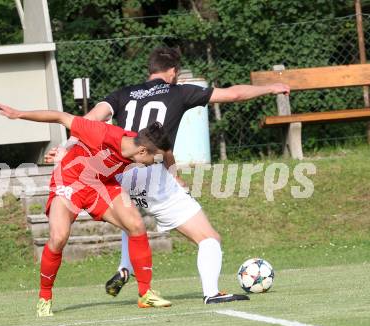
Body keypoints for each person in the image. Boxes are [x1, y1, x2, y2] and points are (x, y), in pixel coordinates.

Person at [46, 47, 290, 304]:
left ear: (149, 70)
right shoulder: (180, 91)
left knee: (132, 222)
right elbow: (235, 94)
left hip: (119, 173)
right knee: (209, 238)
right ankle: (211, 292)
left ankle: (125, 267)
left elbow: (92, 118)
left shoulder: (124, 93)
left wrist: (66, 145)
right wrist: (271, 88)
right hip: (152, 170)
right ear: (173, 72)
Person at [0, 101, 173, 317]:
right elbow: (60, 116)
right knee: (59, 238)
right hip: (70, 182)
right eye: (154, 159)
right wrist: (19, 113)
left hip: (101, 185)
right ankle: (45, 298)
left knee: (136, 224)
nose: (154, 163)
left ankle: (146, 294)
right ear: (142, 151)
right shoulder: (101, 133)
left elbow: (166, 152)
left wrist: (174, 174)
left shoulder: (137, 143)